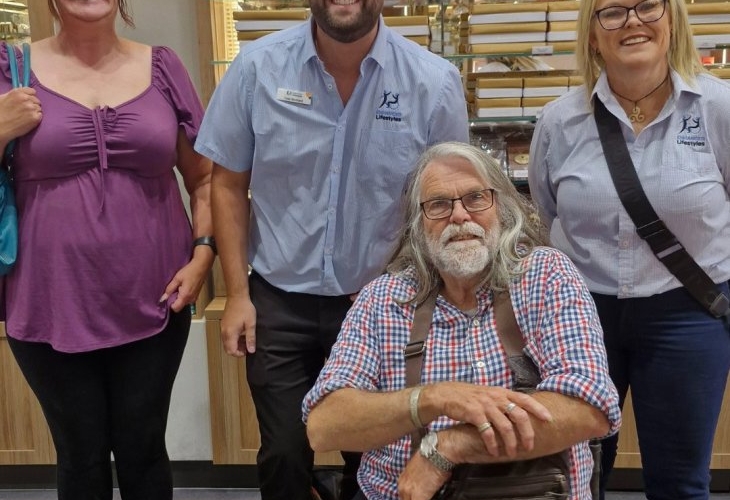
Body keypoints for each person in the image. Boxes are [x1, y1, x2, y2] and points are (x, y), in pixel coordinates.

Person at [193, 0, 469, 497]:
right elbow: (228, 184)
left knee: (377, 455)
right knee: (283, 453)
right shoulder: (257, 67)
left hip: (382, 306)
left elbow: (445, 202)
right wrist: (237, 294)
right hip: (278, 300)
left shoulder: (434, 81)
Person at [303, 141, 621, 500]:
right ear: (417, 225)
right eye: (438, 205)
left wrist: (448, 447)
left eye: (475, 198)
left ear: (500, 207)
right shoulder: (383, 299)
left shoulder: (545, 275)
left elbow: (589, 409)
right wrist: (432, 399)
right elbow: (324, 426)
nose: (459, 216)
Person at [0, 1, 214, 499]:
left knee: (143, 450)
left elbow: (204, 177)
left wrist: (203, 254)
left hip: (157, 298)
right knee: (80, 456)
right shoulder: (11, 69)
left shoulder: (164, 67)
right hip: (49, 301)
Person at [527, 0, 730, 497]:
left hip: (689, 313)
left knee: (680, 483)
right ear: (593, 35)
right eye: (612, 11)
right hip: (581, 317)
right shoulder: (558, 122)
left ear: (672, 20)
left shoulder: (719, 108)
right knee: (576, 471)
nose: (633, 21)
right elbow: (546, 214)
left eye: (647, 6)